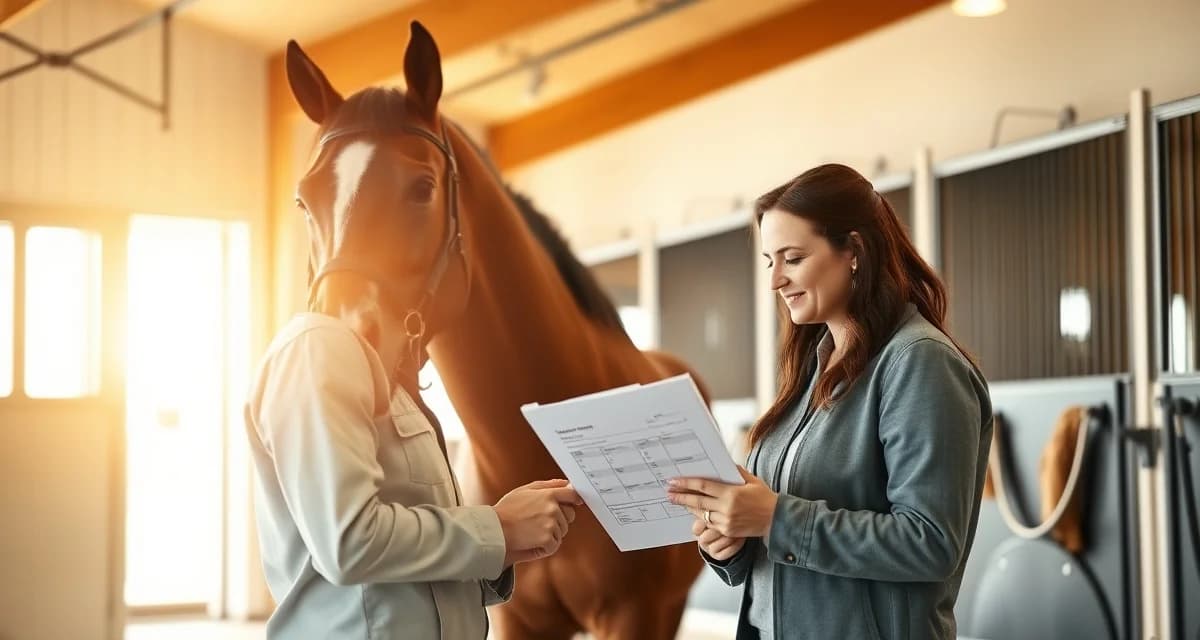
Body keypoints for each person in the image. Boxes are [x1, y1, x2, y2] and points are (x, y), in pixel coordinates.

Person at [667, 164, 993, 639]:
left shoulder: (919, 363)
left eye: (792, 258)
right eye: (768, 261)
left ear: (854, 252)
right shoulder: (811, 368)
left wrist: (775, 517)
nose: (776, 280)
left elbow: (931, 543)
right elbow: (783, 540)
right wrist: (734, 540)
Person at [245, 303, 582, 639]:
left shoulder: (394, 384)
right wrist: (498, 529)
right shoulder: (317, 347)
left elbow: (413, 575)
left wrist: (503, 544)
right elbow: (349, 543)